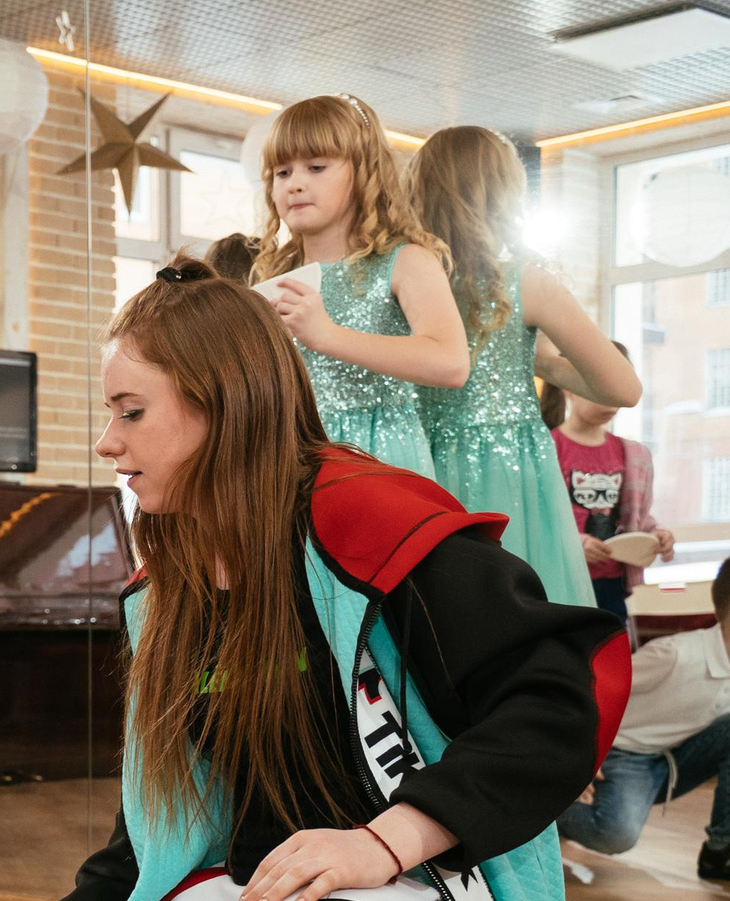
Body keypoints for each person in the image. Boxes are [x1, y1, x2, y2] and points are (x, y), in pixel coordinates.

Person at [0, 257, 692, 901]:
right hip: (258, 900)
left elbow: (555, 699)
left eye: (130, 411)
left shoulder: (373, 519)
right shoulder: (166, 581)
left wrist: (385, 840)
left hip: (423, 886)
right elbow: (163, 803)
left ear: (218, 406)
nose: (105, 442)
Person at [410, 125, 640, 610]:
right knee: (514, 617)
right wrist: (539, 364)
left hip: (416, 466)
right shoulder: (524, 286)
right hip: (507, 472)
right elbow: (621, 386)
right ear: (507, 194)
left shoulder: (406, 285)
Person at [251, 95, 467, 478]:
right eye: (282, 173)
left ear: (364, 172)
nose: (296, 184)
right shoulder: (274, 273)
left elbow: (450, 363)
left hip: (378, 459)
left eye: (316, 167)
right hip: (291, 456)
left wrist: (328, 335)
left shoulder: (405, 260)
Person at [559, 564, 730, 882]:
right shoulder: (675, 655)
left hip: (671, 757)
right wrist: (581, 752)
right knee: (616, 834)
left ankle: (721, 850)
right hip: (619, 751)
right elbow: (588, 688)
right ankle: (547, 804)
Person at [541, 359, 667, 636]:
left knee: (610, 657)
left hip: (612, 581)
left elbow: (638, 517)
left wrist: (656, 535)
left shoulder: (634, 455)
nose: (609, 401)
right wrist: (577, 544)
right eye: (600, 389)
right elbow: (538, 519)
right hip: (562, 580)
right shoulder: (548, 448)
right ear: (569, 388)